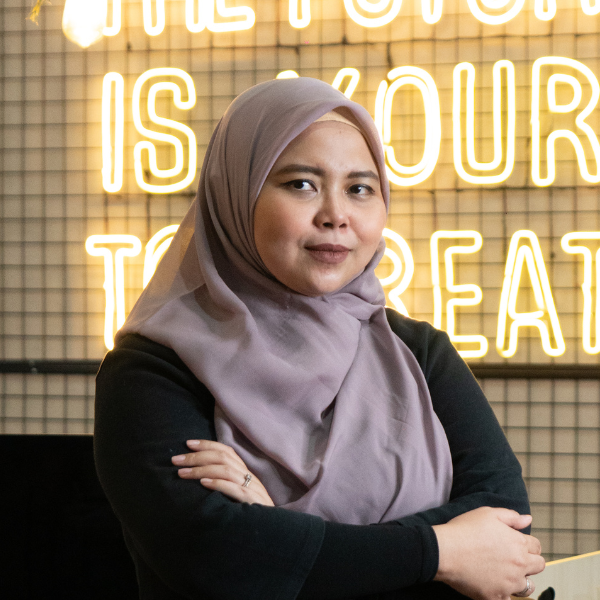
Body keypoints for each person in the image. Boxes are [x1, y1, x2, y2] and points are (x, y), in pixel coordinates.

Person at [93, 76, 544, 600]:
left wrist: (280, 533)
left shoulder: (419, 351)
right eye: (301, 184)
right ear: (236, 194)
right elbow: (219, 558)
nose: (336, 215)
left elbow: (505, 520)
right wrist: (442, 551)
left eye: (360, 189)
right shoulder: (153, 370)